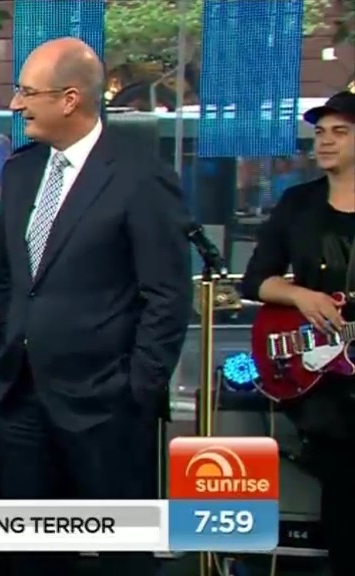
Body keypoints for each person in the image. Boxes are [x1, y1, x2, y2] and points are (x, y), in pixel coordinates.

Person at [0, 38, 192, 576]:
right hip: (19, 397)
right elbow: (14, 278)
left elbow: (167, 296)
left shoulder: (140, 177)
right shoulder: (20, 173)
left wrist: (136, 387)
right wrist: (6, 345)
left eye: (28, 93)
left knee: (122, 559)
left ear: (70, 98)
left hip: (106, 405)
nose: (16, 105)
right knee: (27, 558)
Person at [240, 89, 355, 576]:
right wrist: (302, 297)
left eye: (339, 132)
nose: (324, 141)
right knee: (343, 499)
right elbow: (255, 280)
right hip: (323, 385)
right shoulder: (298, 204)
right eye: (320, 132)